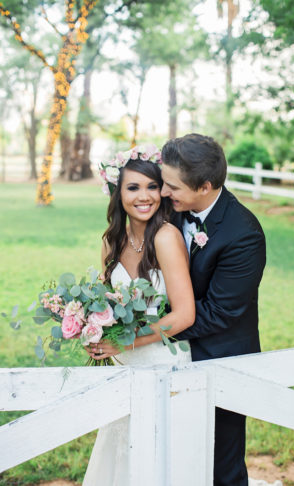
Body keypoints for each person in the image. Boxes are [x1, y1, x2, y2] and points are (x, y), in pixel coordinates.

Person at [82, 144, 195, 486]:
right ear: (117, 193)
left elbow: (185, 315)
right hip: (124, 368)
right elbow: (105, 305)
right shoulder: (111, 242)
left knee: (163, 462)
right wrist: (95, 331)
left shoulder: (166, 237)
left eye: (152, 186)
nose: (145, 196)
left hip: (165, 364)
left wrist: (127, 343)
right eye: (133, 187)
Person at [160, 133, 266, 486]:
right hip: (169, 363)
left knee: (223, 466)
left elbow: (220, 312)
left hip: (222, 359)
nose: (163, 193)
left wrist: (153, 330)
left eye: (172, 186)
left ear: (205, 187)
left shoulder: (244, 233)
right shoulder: (169, 212)